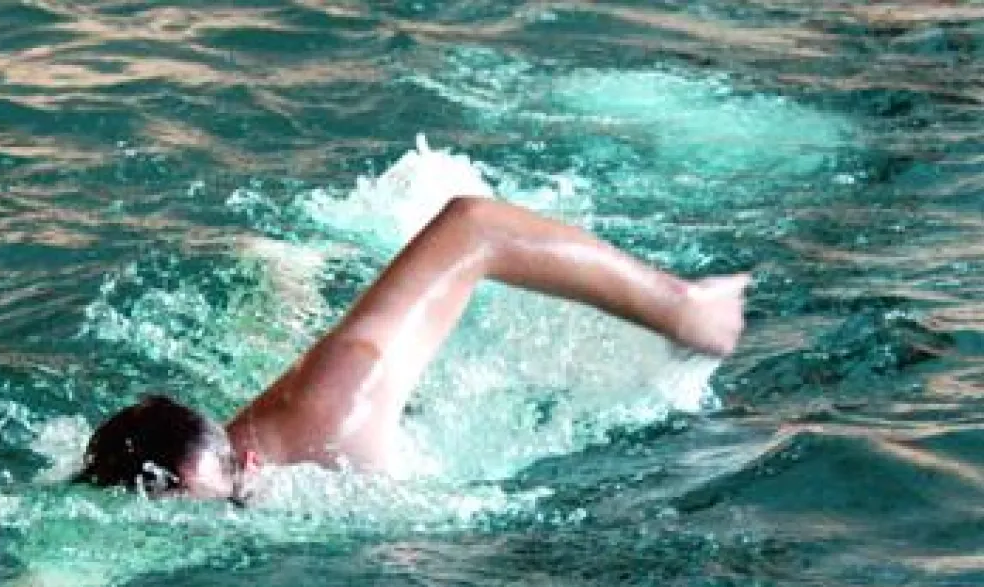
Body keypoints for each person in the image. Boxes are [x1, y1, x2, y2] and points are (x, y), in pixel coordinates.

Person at [74, 197, 750, 504]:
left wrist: (679, 308)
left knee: (330, 369)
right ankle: (286, 277)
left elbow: (475, 226)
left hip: (363, 398)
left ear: (248, 465)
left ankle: (288, 272)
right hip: (291, 407)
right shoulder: (171, 486)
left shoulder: (335, 420)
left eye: (218, 508)